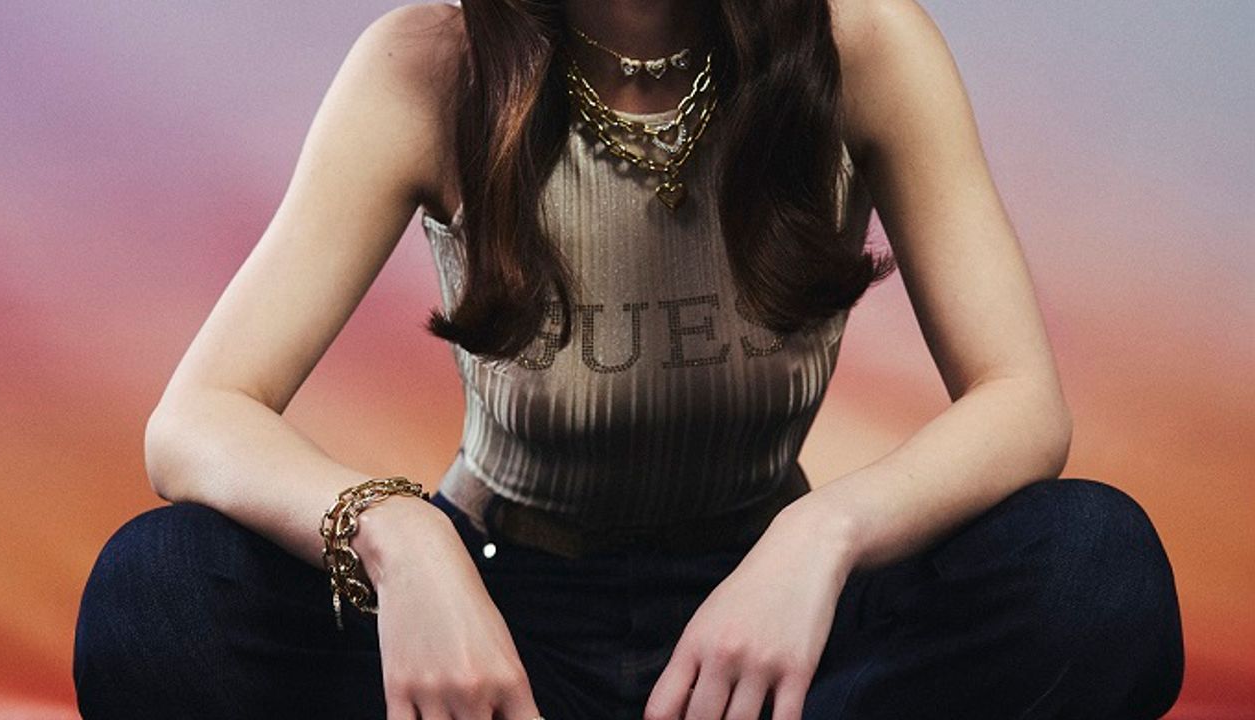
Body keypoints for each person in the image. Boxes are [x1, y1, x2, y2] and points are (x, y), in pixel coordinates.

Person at [72, 0, 1185, 718]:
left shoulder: (863, 45)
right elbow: (197, 417)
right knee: (155, 594)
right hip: (502, 623)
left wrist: (822, 536)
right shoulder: (431, 65)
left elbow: (1021, 402)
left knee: (1095, 570)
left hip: (772, 621)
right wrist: (403, 538)